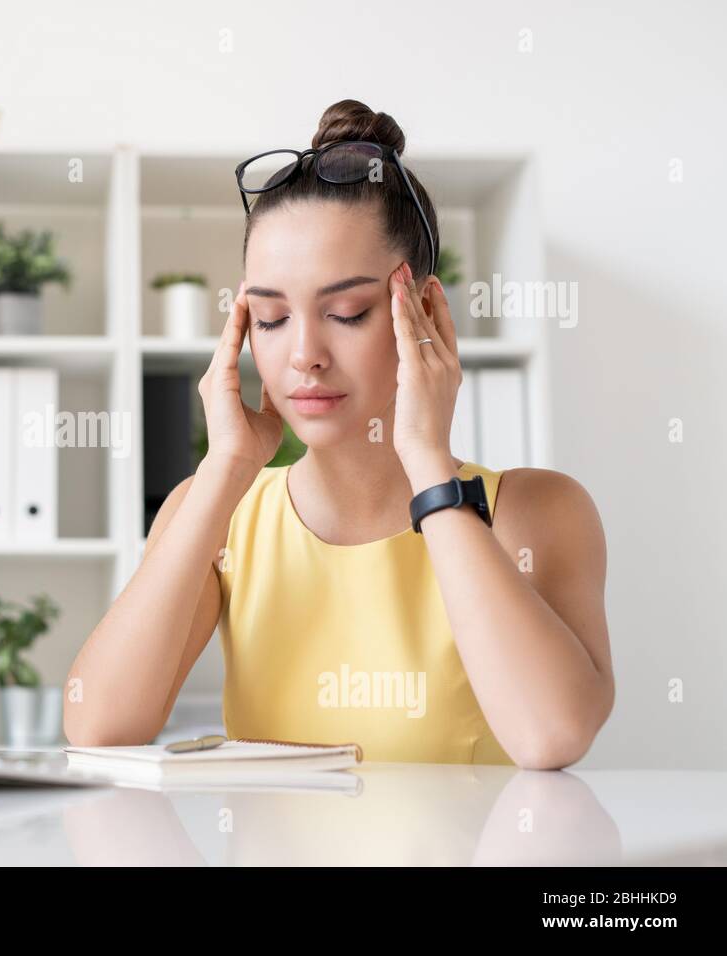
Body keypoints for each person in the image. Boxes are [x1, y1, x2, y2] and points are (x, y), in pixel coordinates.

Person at [65, 99, 613, 768]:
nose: (304, 355)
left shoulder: (534, 512)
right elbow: (98, 727)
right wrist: (225, 469)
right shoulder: (216, 516)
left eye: (347, 312)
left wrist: (429, 464)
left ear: (426, 313)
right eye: (269, 318)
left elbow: (551, 735)